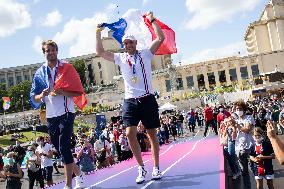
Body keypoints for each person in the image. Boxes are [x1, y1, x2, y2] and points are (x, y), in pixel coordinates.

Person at [96, 11, 165, 184]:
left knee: (152, 135)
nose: (128, 45)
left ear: (135, 43)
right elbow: (100, 51)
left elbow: (160, 37)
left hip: (147, 98)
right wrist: (97, 32)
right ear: (124, 44)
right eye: (125, 43)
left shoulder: (146, 53)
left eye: (131, 42)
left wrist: (152, 20)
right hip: (130, 100)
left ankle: (156, 167)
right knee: (129, 133)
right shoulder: (120, 58)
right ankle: (141, 167)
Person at [30, 40, 84, 189]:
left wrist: (62, 92)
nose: (51, 53)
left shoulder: (67, 68)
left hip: (66, 112)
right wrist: (41, 95)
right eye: (48, 50)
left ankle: (68, 184)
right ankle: (79, 174)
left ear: (57, 51)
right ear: (44, 53)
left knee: (65, 147)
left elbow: (78, 91)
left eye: (53, 50)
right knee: (60, 148)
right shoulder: (40, 72)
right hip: (51, 115)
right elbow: (33, 97)